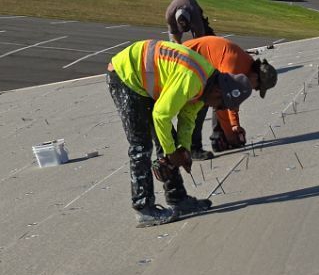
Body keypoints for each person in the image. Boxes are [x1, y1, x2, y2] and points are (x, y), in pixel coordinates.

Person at [105, 38, 254, 226]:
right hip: (125, 75)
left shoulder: (207, 85)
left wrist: (182, 149)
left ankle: (178, 199)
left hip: (145, 79)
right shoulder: (192, 79)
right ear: (218, 92)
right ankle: (144, 209)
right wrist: (171, 153)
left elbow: (188, 117)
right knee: (141, 145)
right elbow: (161, 116)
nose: (217, 109)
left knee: (168, 139)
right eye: (220, 105)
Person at [181, 35, 278, 153]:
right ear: (256, 77)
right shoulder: (235, 65)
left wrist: (234, 126)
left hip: (197, 65)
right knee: (203, 101)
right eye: (257, 87)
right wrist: (230, 136)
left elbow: (232, 100)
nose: (255, 89)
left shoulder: (245, 66)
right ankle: (194, 148)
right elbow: (224, 101)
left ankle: (218, 138)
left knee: (215, 98)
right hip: (183, 61)